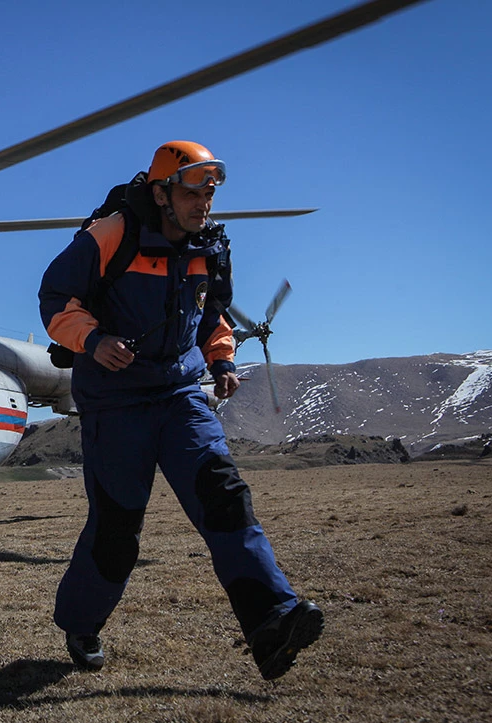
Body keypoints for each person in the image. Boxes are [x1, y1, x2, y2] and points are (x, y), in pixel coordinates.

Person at [38, 141, 323, 680]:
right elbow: (55, 298)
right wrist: (93, 339)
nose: (204, 201)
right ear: (162, 191)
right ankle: (81, 623)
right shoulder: (111, 235)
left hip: (179, 395)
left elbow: (210, 313)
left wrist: (221, 359)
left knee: (225, 498)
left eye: (211, 190)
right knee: (118, 529)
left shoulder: (210, 249)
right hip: (115, 401)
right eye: (193, 189)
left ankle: (272, 620)